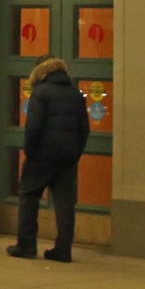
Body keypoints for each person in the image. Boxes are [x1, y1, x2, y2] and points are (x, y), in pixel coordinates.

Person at [7, 56, 88, 262]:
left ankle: (26, 245)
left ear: (41, 72)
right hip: (67, 157)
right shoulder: (75, 94)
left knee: (29, 196)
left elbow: (33, 127)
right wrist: (75, 153)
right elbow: (84, 129)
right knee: (64, 203)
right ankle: (63, 250)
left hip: (42, 155)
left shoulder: (40, 92)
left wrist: (30, 152)